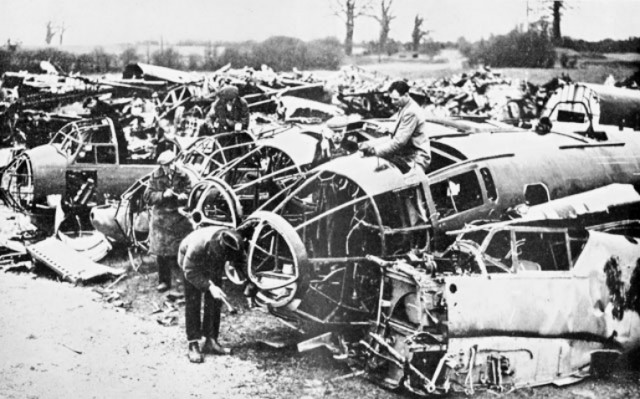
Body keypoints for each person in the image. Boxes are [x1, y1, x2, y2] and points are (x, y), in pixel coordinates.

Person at [178, 226, 246, 363]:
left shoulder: (235, 243)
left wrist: (247, 280)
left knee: (215, 298)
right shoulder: (197, 245)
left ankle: (211, 340)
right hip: (191, 264)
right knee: (193, 300)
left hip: (212, 261)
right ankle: (193, 343)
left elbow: (240, 263)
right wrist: (209, 286)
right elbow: (190, 270)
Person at [143, 150, 194, 292]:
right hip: (161, 218)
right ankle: (164, 281)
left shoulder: (183, 174)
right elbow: (147, 196)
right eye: (165, 165)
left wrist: (185, 194)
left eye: (170, 164)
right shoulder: (155, 175)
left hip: (179, 216)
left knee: (182, 249)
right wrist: (162, 195)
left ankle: (183, 280)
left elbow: (191, 189)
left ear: (174, 162)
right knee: (162, 252)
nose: (168, 168)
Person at [359, 80, 431, 173]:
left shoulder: (411, 111)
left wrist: (374, 150)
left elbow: (398, 142)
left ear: (406, 95)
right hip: (407, 151)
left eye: (396, 99)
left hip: (415, 157)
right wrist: (369, 144)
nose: (393, 102)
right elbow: (395, 135)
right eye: (391, 99)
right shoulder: (405, 106)